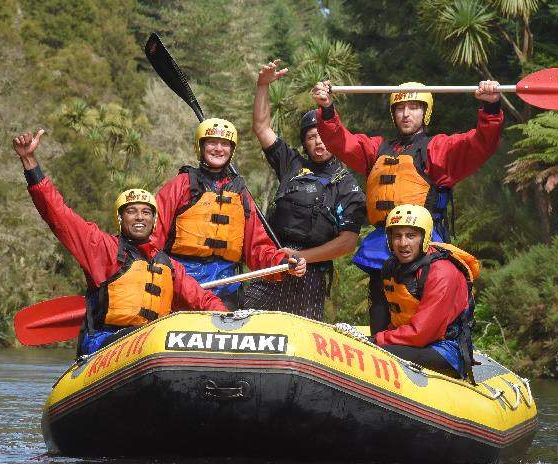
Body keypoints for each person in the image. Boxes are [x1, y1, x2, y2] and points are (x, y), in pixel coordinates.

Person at [13, 129, 228, 357]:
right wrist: (29, 161)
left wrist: (227, 319)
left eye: (146, 212)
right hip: (106, 345)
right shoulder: (102, 248)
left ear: (154, 221)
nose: (139, 217)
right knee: (156, 341)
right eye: (131, 212)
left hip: (153, 347)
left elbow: (201, 298)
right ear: (120, 219)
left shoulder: (168, 266)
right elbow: (58, 215)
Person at [311, 78, 502, 334]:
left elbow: (479, 143)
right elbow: (340, 141)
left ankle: (423, 350)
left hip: (421, 244)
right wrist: (326, 109)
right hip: (383, 244)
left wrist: (490, 109)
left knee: (415, 302)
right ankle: (380, 346)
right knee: (380, 301)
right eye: (400, 108)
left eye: (414, 107)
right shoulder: (376, 149)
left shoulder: (437, 149)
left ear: (426, 112)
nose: (406, 113)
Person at [242, 59, 366, 320]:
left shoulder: (347, 183)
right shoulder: (292, 164)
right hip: (272, 265)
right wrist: (263, 85)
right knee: (250, 326)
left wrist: (301, 257)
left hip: (310, 273)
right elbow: (262, 128)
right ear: (304, 142)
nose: (318, 141)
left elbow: (348, 242)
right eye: (311, 136)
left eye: (323, 134)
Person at [151, 117, 307, 309]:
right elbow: (153, 236)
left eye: (225, 144)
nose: (218, 149)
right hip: (181, 283)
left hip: (226, 287)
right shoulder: (181, 185)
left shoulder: (240, 193)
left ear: (231, 150)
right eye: (212, 143)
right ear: (200, 147)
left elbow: (256, 246)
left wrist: (283, 263)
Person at [374, 204, 481, 382]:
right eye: (397, 236)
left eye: (411, 236)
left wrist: (379, 339)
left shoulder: (442, 272)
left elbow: (422, 333)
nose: (403, 243)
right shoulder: (391, 266)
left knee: (376, 350)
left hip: (447, 349)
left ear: (424, 237)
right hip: (410, 342)